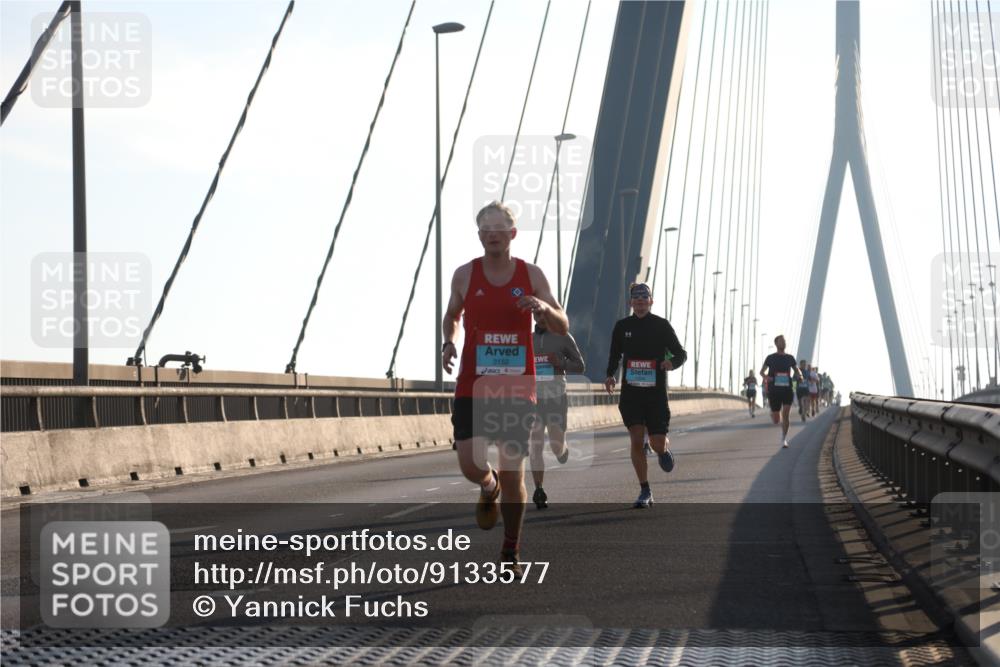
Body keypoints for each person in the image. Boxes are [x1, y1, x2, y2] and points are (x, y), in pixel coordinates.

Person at [442, 201, 568, 574]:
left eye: (499, 228)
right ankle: (486, 485)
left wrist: (544, 312)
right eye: (486, 229)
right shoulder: (465, 274)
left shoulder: (532, 276)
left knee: (514, 472)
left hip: (516, 388)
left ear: (512, 234)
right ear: (479, 235)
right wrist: (449, 341)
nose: (492, 234)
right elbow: (452, 315)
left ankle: (511, 547)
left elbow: (563, 323)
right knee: (469, 464)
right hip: (472, 385)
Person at [605, 282, 687, 509]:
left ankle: (663, 450)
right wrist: (610, 375)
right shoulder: (622, 326)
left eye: (644, 298)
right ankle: (645, 489)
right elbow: (614, 354)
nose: (640, 302)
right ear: (631, 302)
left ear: (651, 301)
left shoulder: (661, 325)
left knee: (656, 442)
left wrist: (672, 363)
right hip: (631, 393)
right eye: (636, 299)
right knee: (636, 439)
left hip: (656, 394)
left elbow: (681, 353)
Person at [529, 310, 585, 509]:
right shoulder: (529, 340)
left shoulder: (563, 338)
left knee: (555, 445)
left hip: (556, 398)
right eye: (536, 315)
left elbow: (580, 366)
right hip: (533, 399)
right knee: (535, 442)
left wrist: (559, 362)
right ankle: (539, 489)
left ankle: (562, 451)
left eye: (544, 315)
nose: (540, 319)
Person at [760, 335, 802, 448]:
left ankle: (784, 438)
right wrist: (766, 377)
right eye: (781, 341)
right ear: (776, 344)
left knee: (786, 414)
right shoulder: (770, 358)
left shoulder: (790, 358)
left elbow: (796, 369)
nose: (783, 343)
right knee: (776, 420)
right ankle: (773, 413)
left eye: (784, 341)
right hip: (774, 390)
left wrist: (800, 375)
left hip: (787, 388)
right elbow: (761, 372)